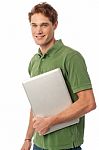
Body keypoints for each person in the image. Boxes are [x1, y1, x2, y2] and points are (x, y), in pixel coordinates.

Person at [21, 2, 96, 150]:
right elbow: (36, 105)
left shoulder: (71, 57)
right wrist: (28, 138)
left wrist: (50, 121)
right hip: (39, 144)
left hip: (65, 146)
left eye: (44, 25)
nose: (38, 31)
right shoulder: (34, 61)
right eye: (34, 25)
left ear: (55, 25)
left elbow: (88, 102)